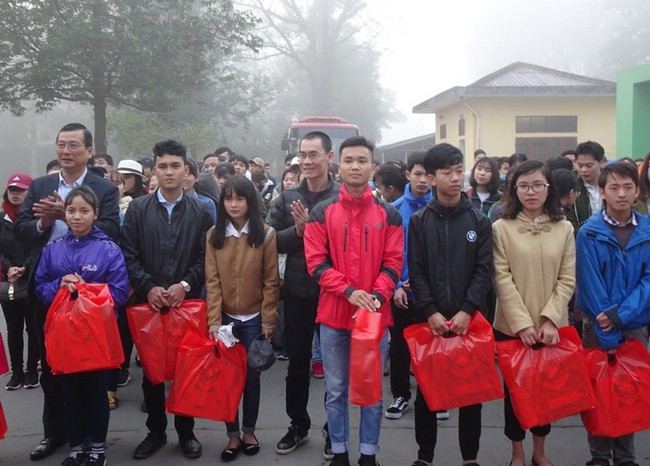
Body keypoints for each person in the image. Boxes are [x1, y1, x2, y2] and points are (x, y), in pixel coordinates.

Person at [16, 122, 120, 462]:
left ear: (89, 151)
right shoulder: (41, 185)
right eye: (61, 144)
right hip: (50, 288)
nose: (65, 151)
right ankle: (55, 434)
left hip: (91, 296)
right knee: (52, 368)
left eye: (73, 145)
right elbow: (21, 229)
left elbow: (112, 230)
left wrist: (68, 212)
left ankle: (92, 440)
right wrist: (44, 222)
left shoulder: (104, 188)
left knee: (90, 373)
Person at [304, 136, 403, 466]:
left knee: (371, 390)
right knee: (336, 390)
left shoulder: (389, 215)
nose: (355, 166)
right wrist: (349, 291)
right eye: (349, 161)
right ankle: (340, 452)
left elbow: (394, 263)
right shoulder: (322, 212)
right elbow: (316, 263)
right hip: (334, 316)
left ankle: (369, 455)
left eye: (362, 161)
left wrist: (375, 296)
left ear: (373, 167)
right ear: (339, 166)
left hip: (374, 317)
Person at [121, 139, 213, 460]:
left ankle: (186, 433)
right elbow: (128, 253)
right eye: (163, 166)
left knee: (186, 370)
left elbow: (205, 257)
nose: (169, 172)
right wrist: (147, 286)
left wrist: (185, 284)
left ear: (186, 170)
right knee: (152, 372)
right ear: (154, 171)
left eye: (175, 166)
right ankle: (156, 431)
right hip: (149, 303)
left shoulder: (201, 212)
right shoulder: (138, 209)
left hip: (185, 303)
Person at [407, 143, 493, 466]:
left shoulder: (478, 221)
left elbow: (484, 270)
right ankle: (425, 456)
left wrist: (467, 310)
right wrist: (429, 310)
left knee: (471, 394)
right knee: (427, 393)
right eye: (447, 173)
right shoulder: (420, 221)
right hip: (430, 320)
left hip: (468, 319)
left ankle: (469, 458)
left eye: (459, 171)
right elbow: (416, 270)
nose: (456, 178)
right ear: (432, 178)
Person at [34, 186, 129, 466]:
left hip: (96, 335)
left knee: (96, 393)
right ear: (64, 214)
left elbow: (120, 292)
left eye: (84, 211)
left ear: (96, 214)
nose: (77, 216)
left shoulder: (109, 249)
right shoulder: (52, 249)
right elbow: (40, 286)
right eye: (72, 210)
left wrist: (87, 291)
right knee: (70, 393)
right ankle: (75, 449)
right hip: (63, 334)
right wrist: (59, 285)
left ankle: (97, 450)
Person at [492, 160, 575, 466]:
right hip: (512, 328)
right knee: (515, 394)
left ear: (548, 188)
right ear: (514, 189)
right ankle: (517, 453)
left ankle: (539, 452)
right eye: (524, 186)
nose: (531, 192)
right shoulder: (501, 228)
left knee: (545, 393)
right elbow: (501, 279)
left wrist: (551, 318)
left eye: (538, 185)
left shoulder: (564, 228)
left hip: (551, 327)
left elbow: (567, 277)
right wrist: (522, 324)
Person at [267, 131, 340, 458]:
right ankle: (298, 424)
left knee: (334, 368)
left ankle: (333, 429)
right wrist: (297, 231)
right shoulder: (287, 198)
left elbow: (348, 244)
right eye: (303, 155)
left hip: (333, 293)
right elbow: (270, 241)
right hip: (297, 292)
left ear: (329, 157)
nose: (307, 161)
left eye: (314, 154)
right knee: (297, 365)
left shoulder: (341, 198)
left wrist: (313, 230)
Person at [576, 162, 650, 466]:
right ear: (602, 192)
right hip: (597, 324)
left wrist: (622, 315)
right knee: (599, 393)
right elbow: (589, 282)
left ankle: (625, 457)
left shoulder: (647, 230)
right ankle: (599, 456)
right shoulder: (589, 232)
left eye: (628, 187)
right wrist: (607, 323)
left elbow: (648, 282)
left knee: (628, 391)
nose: (621, 194)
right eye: (614, 187)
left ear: (637, 191)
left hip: (634, 325)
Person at [205, 175, 280, 462]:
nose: (234, 204)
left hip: (254, 319)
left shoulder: (266, 234)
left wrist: (268, 319)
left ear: (250, 200)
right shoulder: (214, 235)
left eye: (239, 198)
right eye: (228, 199)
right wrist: (214, 321)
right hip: (226, 320)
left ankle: (249, 431)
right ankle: (232, 434)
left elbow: (271, 281)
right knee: (228, 380)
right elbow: (212, 281)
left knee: (251, 378)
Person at [384, 152, 433, 421]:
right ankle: (400, 394)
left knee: (431, 346)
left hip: (432, 293)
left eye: (428, 175)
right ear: (407, 175)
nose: (423, 180)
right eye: (418, 174)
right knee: (400, 347)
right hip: (400, 291)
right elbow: (389, 253)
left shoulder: (440, 207)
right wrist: (396, 285)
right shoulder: (394, 210)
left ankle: (433, 396)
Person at [1, 172, 39, 391]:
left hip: (32, 278)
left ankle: (32, 370)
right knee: (13, 328)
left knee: (33, 328)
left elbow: (39, 246)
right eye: (12, 190)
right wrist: (8, 268)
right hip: (8, 282)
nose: (15, 194)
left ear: (29, 192)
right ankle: (16, 372)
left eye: (20, 190)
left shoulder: (36, 219)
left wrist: (25, 267)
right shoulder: (1, 219)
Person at [566, 141, 606, 232]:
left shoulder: (611, 185)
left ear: (600, 162)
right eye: (580, 165)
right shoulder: (571, 187)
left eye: (589, 165)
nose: (583, 170)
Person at [184, 158, 217, 224]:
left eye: (189, 174)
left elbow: (212, 227)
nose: (184, 178)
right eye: (182, 174)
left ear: (196, 178)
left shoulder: (207, 203)